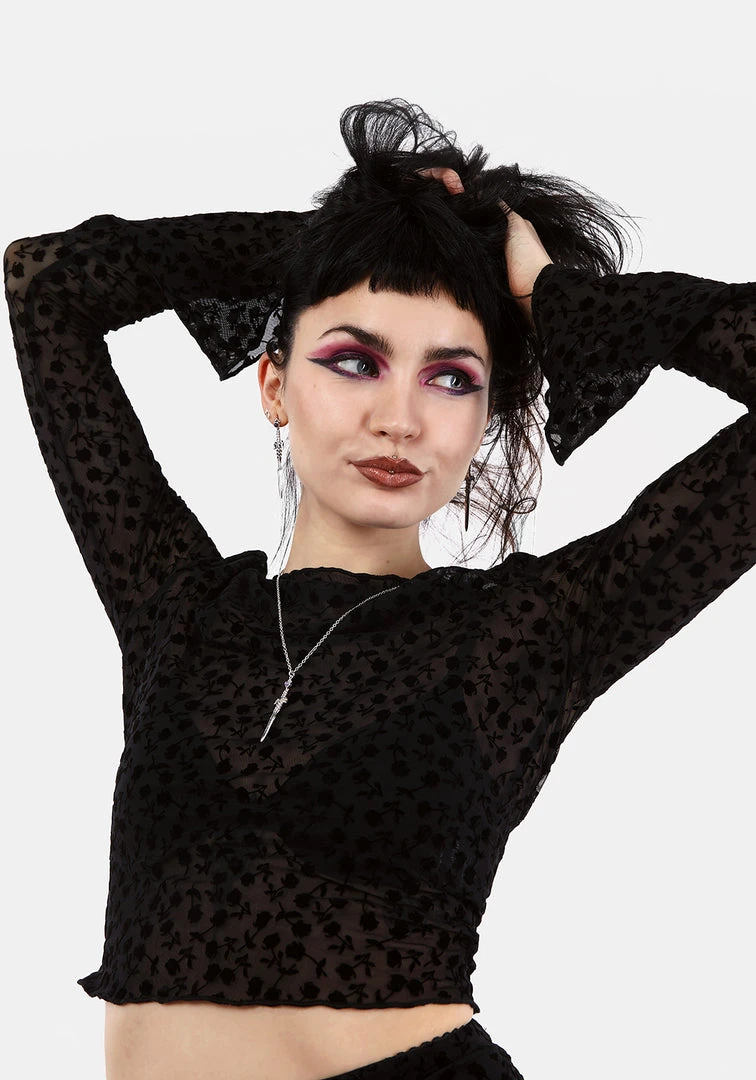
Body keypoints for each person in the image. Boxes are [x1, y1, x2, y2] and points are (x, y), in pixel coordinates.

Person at [4, 98, 754, 1080]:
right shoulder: (172, 603)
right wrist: (355, 238)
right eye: (355, 361)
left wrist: (550, 295)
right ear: (274, 384)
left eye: (451, 379)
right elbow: (47, 280)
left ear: (485, 417)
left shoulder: (528, 630)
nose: (400, 418)